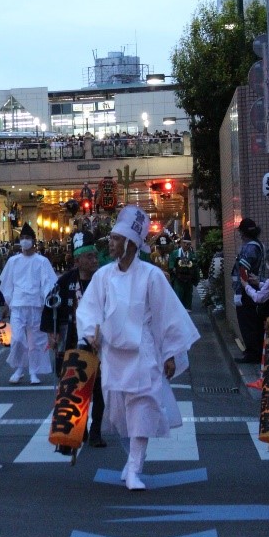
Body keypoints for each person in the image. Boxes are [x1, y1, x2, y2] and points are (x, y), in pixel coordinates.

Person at [76, 206, 200, 491]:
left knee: (141, 408)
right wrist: (90, 333)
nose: (111, 243)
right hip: (112, 354)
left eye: (116, 239)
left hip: (143, 352)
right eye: (111, 238)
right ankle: (131, 459)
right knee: (119, 414)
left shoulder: (152, 275)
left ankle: (135, 467)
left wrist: (169, 353)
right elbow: (90, 309)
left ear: (130, 243)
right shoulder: (104, 276)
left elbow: (167, 315)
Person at [40, 230, 106, 449]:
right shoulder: (65, 281)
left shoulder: (103, 280)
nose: (94, 260)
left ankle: (96, 430)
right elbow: (50, 306)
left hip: (99, 343)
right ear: (77, 260)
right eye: (89, 257)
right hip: (72, 343)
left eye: (95, 256)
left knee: (99, 389)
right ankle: (82, 428)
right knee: (76, 389)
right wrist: (52, 331)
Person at [0, 223, 58, 385]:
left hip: (36, 305)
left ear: (33, 241)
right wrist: (8, 302)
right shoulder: (13, 261)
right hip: (18, 305)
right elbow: (7, 284)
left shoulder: (42, 261)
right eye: (22, 238)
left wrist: (48, 300)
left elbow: (48, 283)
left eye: (27, 238)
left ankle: (33, 371)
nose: (24, 241)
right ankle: (19, 369)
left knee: (36, 341)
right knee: (17, 338)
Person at [232, 218, 265, 364]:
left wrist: (240, 289)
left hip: (247, 291)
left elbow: (243, 270)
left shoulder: (249, 248)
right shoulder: (259, 245)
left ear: (243, 233)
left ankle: (253, 353)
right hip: (255, 289)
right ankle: (255, 351)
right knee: (254, 322)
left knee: (247, 322)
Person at [168, 230, 199, 312]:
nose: (186, 245)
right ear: (181, 243)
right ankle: (178, 310)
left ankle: (187, 309)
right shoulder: (175, 253)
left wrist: (195, 278)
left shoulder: (192, 255)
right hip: (178, 278)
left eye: (188, 244)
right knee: (178, 293)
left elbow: (195, 267)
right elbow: (171, 263)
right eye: (185, 243)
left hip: (188, 279)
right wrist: (172, 268)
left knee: (188, 294)